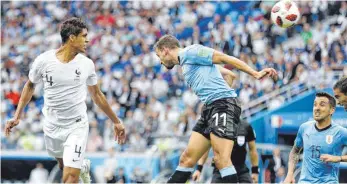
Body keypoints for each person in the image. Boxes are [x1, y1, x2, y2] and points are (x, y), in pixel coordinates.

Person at [5, 17, 126, 183]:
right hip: (52, 125)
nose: (88, 40)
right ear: (72, 38)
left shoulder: (86, 64)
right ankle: (81, 165)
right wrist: (17, 116)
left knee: (70, 176)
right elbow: (30, 86)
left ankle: (77, 168)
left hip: (76, 125)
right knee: (63, 166)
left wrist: (116, 121)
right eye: (84, 36)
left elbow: (97, 94)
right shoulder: (44, 60)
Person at [154, 35, 277, 183]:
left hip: (222, 105)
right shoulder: (187, 63)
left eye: (158, 55)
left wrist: (255, 73)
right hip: (210, 108)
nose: (160, 61)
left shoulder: (191, 52)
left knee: (221, 159)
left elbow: (224, 58)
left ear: (165, 50)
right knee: (186, 159)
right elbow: (230, 74)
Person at [284, 92, 347, 183]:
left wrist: (339, 158)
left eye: (322, 105)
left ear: (332, 110)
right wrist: (290, 174)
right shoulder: (304, 128)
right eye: (315, 104)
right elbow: (295, 151)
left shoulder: (341, 132)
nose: (316, 108)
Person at [192, 120, 259, 183]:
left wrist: (255, 172)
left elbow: (252, 150)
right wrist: (199, 169)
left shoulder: (246, 126)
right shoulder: (214, 126)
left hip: (241, 170)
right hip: (220, 171)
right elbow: (206, 149)